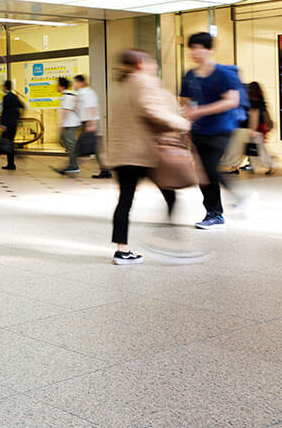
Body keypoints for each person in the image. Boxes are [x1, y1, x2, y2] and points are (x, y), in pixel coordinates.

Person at [105, 50, 191, 265]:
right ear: (141, 64)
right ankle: (168, 244)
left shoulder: (121, 85)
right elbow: (151, 110)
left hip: (121, 153)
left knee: (125, 201)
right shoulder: (142, 81)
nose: (154, 65)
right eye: (151, 61)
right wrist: (182, 123)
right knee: (171, 195)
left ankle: (122, 250)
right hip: (141, 153)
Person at [181, 32, 251, 230]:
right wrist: (187, 123)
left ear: (209, 49)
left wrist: (201, 110)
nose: (194, 52)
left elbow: (232, 100)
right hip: (198, 129)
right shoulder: (190, 75)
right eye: (191, 47)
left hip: (221, 128)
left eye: (198, 47)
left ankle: (240, 198)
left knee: (210, 168)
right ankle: (214, 213)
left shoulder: (224, 73)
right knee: (202, 173)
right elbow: (185, 102)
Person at [74, 75, 112, 179]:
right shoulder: (84, 93)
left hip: (89, 123)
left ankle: (70, 166)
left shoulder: (87, 93)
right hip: (88, 122)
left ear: (80, 82)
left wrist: (92, 123)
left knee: (81, 147)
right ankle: (106, 170)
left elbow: (92, 108)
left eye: (75, 82)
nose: (74, 85)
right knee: (97, 149)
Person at [245, 81, 274, 174]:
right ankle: (256, 164)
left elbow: (254, 115)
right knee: (258, 147)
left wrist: (252, 129)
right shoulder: (260, 99)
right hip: (262, 126)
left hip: (257, 127)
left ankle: (270, 164)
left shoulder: (253, 101)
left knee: (259, 147)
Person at [54, 77, 81, 175]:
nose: (56, 87)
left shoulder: (67, 96)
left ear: (61, 86)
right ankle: (74, 162)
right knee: (64, 143)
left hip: (70, 124)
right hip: (71, 123)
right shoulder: (68, 95)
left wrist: (61, 125)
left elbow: (66, 111)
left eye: (57, 85)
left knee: (70, 145)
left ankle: (74, 165)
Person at [0, 80, 24, 171]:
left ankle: (11, 163)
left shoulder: (6, 97)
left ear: (5, 87)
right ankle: (11, 162)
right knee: (10, 143)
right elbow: (22, 106)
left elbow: (5, 112)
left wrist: (3, 124)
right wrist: (18, 116)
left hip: (8, 124)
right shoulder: (14, 96)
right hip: (14, 123)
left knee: (8, 144)